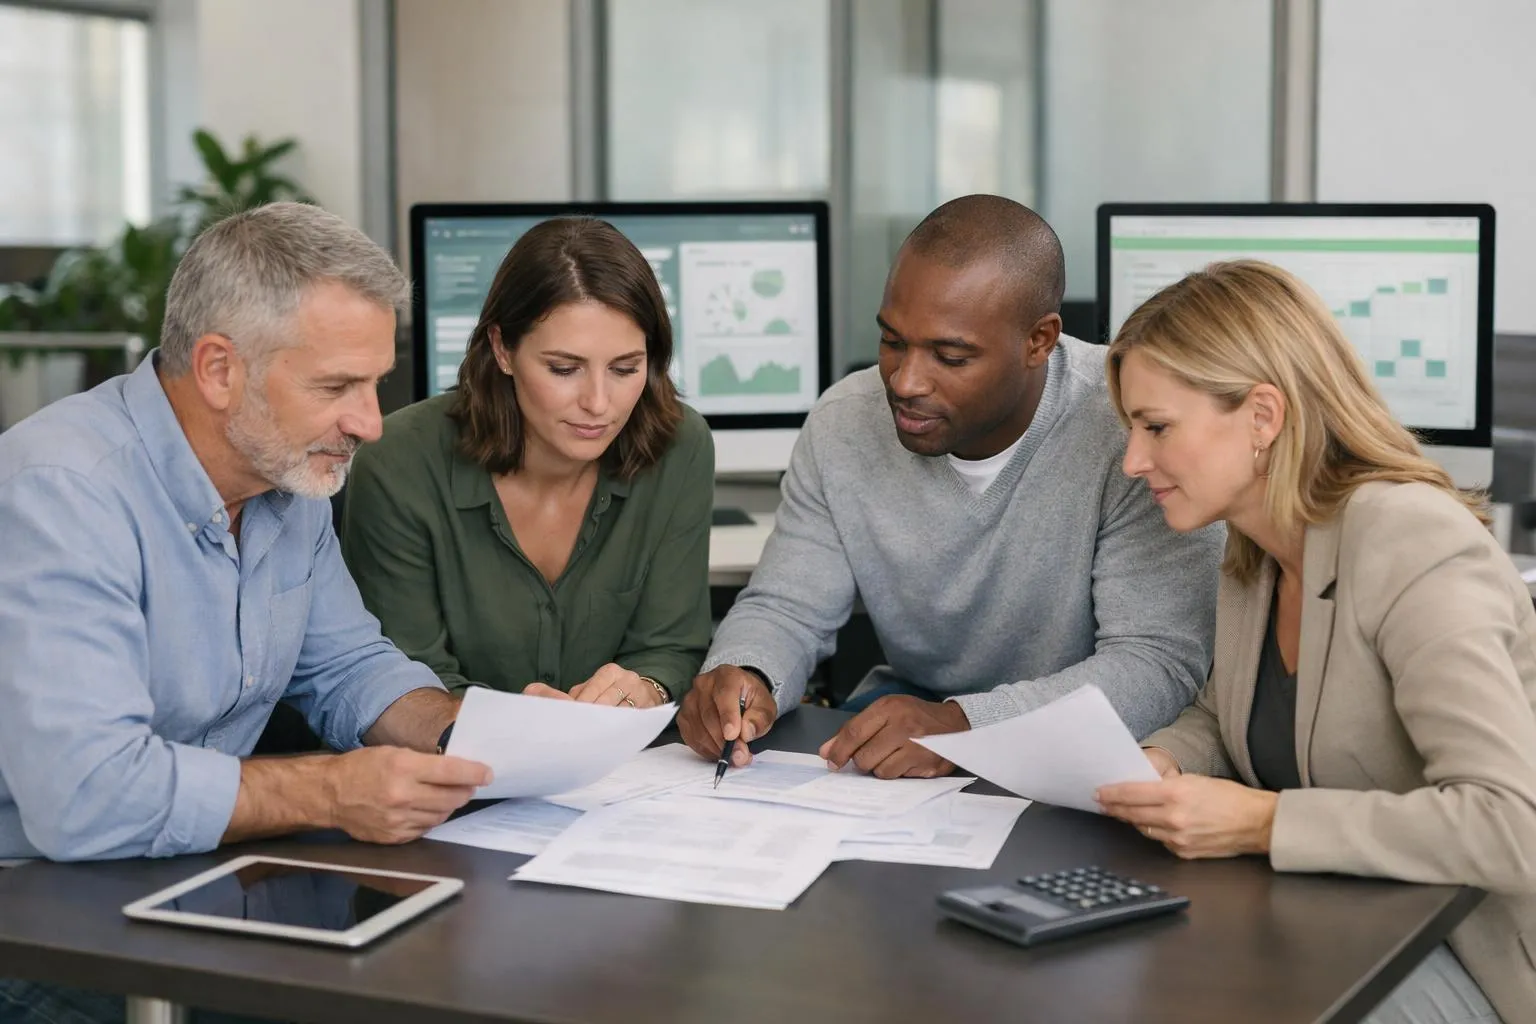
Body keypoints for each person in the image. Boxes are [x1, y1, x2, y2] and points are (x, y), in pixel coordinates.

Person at [0, 202, 492, 1023]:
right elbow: (88, 798)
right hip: (39, 912)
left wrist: (475, 736)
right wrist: (334, 791)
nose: (369, 422)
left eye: (374, 383)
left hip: (186, 882)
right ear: (220, 368)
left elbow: (347, 667)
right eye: (337, 386)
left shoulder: (285, 477)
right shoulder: (62, 493)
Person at [1095, 260, 1536, 1024]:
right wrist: (1163, 758)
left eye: (1156, 427)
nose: (1134, 462)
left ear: (1264, 415)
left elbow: (1510, 824)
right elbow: (1230, 711)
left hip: (1473, 953)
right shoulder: (1254, 553)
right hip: (1344, 920)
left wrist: (1263, 823)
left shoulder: (1409, 540)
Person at [677, 194, 1224, 777]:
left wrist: (965, 726)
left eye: (951, 356)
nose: (906, 381)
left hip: (1082, 736)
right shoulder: (844, 422)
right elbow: (788, 607)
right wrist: (748, 672)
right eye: (892, 342)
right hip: (912, 713)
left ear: (1039, 341)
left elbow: (1155, 663)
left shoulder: (1130, 432)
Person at [341, 217, 711, 707]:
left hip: (622, 769)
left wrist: (644, 689)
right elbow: (404, 677)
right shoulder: (398, 463)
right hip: (450, 767)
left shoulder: (680, 446)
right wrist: (530, 732)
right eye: (564, 369)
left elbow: (670, 649)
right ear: (502, 349)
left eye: (625, 369)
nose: (599, 403)